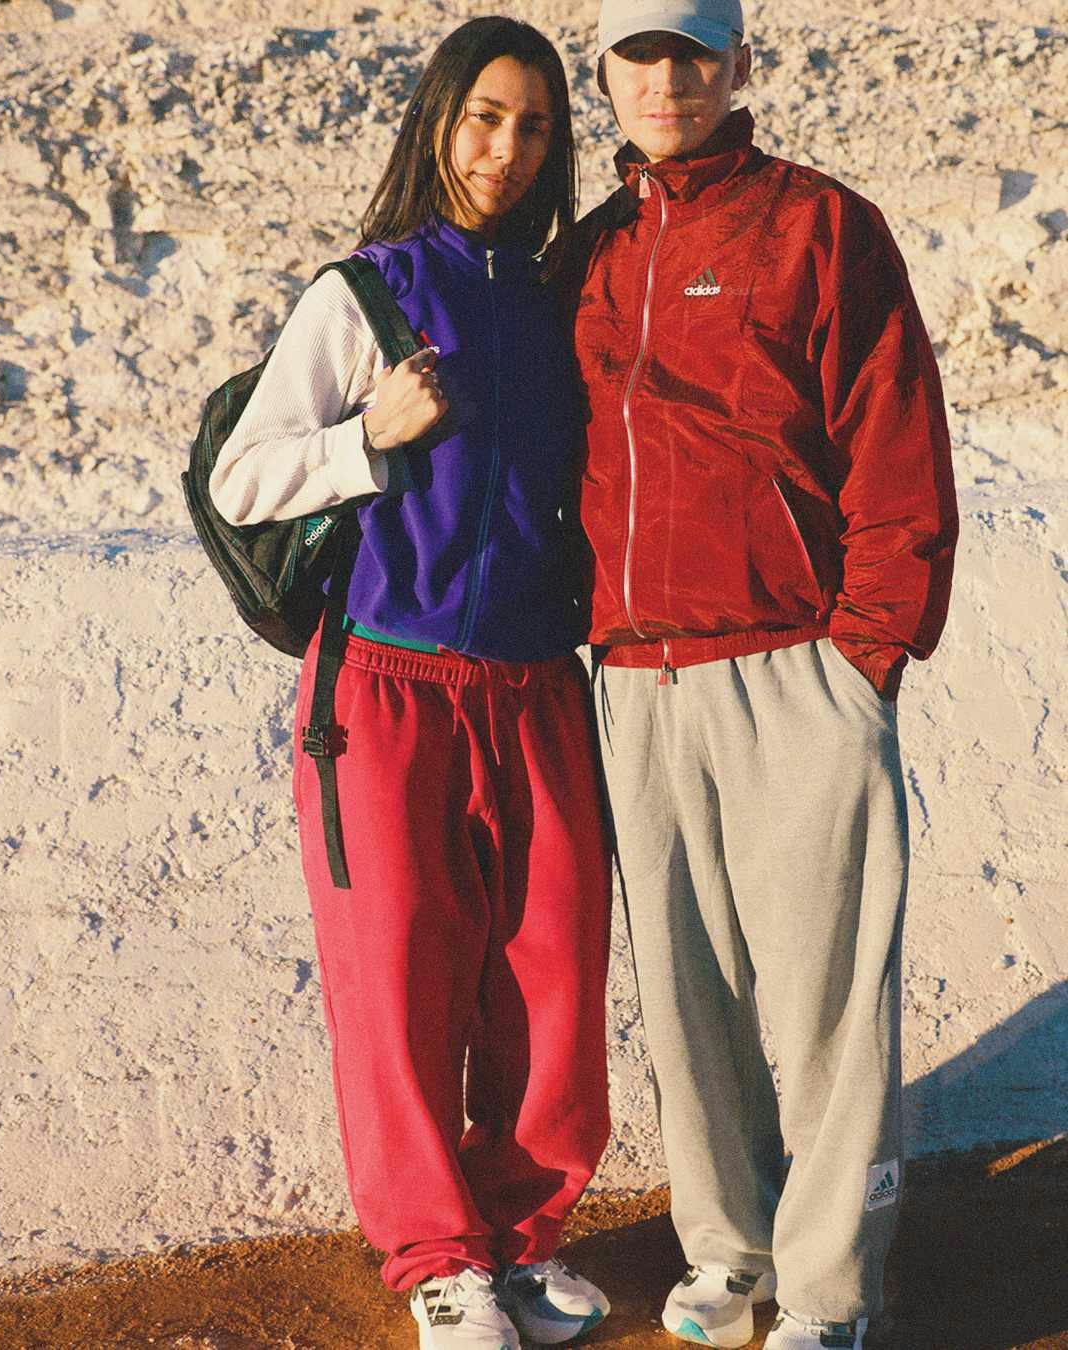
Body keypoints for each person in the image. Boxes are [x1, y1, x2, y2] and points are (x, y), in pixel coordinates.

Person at [208, 19, 613, 1350]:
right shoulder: (365, 292)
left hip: (537, 684)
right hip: (381, 692)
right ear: (440, 121)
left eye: (536, 126)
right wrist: (363, 438)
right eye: (485, 117)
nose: (507, 148)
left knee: (548, 974)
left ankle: (519, 1233)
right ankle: (441, 1262)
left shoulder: (562, 302)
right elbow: (242, 477)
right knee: (398, 981)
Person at [561, 1, 958, 1347]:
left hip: (795, 668)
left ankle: (833, 1286)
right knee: (684, 998)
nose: (663, 79)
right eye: (638, 53)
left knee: (826, 999)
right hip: (635, 675)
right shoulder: (592, 251)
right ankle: (726, 1251)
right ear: (603, 71)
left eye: (689, 50)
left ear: (738, 63)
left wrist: (865, 661)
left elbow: (896, 437)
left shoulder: (821, 226)